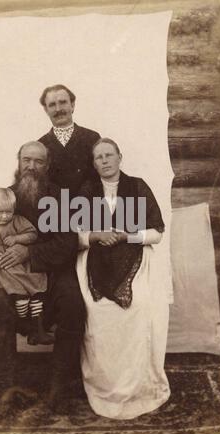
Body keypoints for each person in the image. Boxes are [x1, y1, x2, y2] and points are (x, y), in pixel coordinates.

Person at [0, 141, 81, 413]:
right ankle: (6, 387)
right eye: (26, 160)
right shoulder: (4, 197)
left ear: (47, 166)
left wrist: (28, 252)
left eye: (38, 161)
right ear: (18, 162)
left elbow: (67, 245)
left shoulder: (60, 198)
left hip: (53, 275)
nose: (31, 167)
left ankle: (59, 386)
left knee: (73, 303)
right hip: (11, 278)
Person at [76, 138, 170, 419]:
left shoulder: (138, 187)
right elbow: (74, 235)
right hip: (95, 260)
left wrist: (127, 236)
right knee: (95, 309)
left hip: (135, 260)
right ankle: (105, 385)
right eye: (98, 158)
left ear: (119, 157)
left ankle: (140, 385)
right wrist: (96, 235)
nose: (104, 161)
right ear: (94, 164)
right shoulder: (87, 190)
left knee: (140, 305)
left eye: (108, 155)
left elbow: (157, 232)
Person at [0, 187, 54, 346]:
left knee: (37, 298)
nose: (5, 216)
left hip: (22, 269)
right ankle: (24, 325)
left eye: (9, 212)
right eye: (0, 212)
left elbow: (32, 234)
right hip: (3, 272)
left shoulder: (18, 221)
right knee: (19, 300)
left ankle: (37, 331)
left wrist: (17, 238)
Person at [38, 84, 100, 197]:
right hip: (53, 210)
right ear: (46, 110)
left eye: (63, 102)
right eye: (52, 105)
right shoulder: (40, 145)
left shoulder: (92, 138)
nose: (58, 109)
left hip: (88, 208)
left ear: (72, 105)